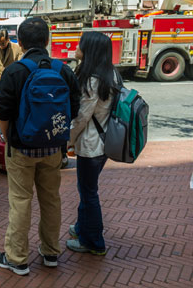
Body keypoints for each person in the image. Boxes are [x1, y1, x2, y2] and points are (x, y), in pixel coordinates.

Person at [0, 17, 80, 276]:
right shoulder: (63, 70)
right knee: (51, 199)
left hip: (21, 148)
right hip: (53, 149)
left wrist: (9, 139)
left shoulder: (15, 71)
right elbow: (73, 109)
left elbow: (3, 112)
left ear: (20, 42)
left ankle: (17, 259)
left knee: (20, 201)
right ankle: (50, 252)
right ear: (48, 40)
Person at [66, 31, 118, 256]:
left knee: (88, 193)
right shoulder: (112, 74)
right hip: (104, 141)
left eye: (81, 45)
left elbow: (81, 118)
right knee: (87, 189)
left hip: (90, 145)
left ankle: (94, 242)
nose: (77, 47)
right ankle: (81, 228)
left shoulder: (92, 81)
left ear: (90, 51)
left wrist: (67, 141)